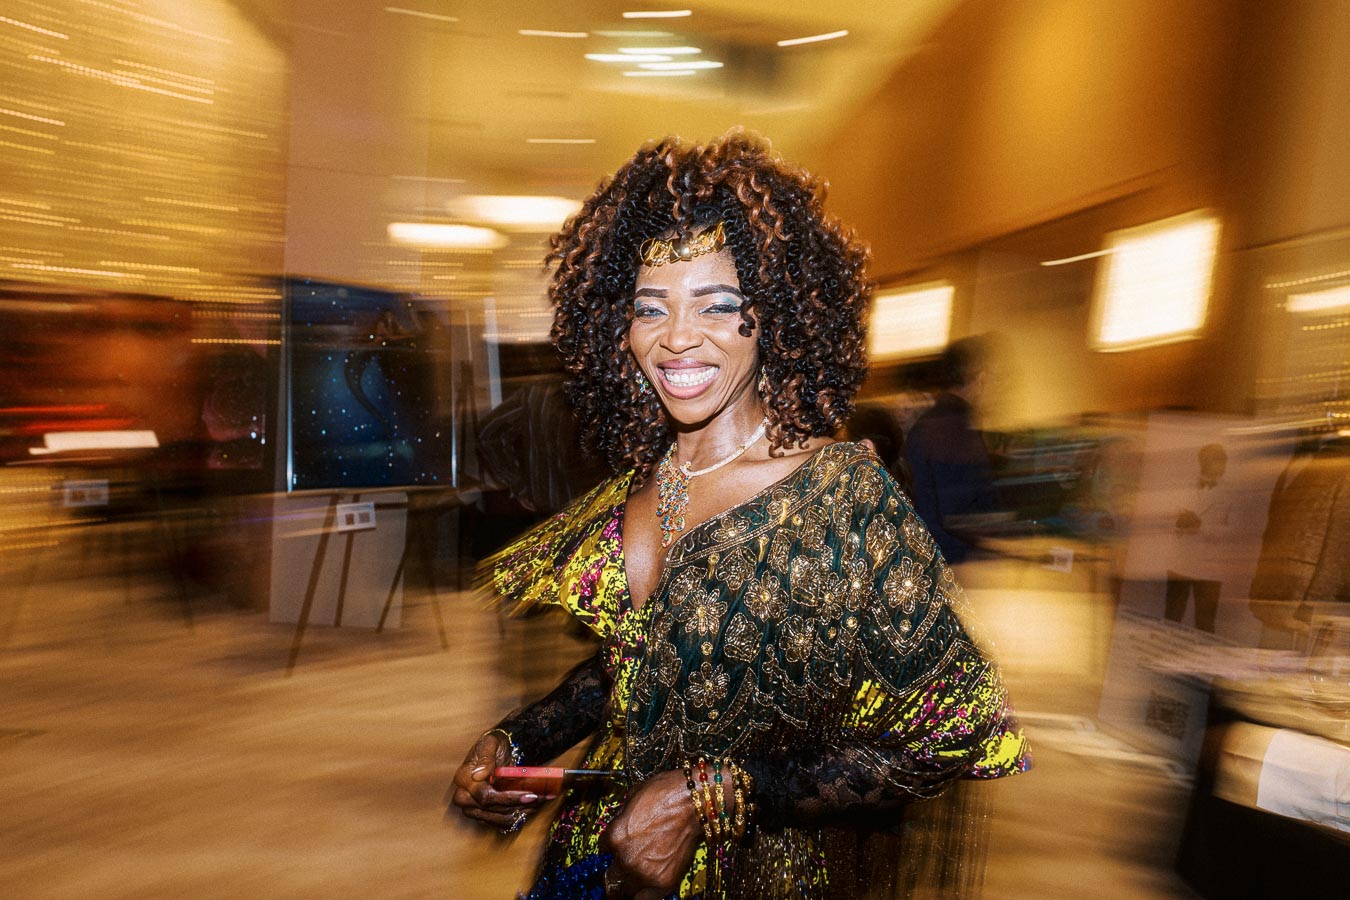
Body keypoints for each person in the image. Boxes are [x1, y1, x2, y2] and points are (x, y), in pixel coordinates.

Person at [449, 131, 1030, 900]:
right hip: (590, 866)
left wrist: (713, 795)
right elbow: (636, 668)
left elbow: (958, 730)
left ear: (776, 315)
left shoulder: (840, 498)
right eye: (650, 307)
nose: (676, 337)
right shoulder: (640, 482)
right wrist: (518, 738)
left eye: (718, 305)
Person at [902, 336, 1001, 564]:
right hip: (951, 566)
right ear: (981, 378)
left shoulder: (931, 423)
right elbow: (959, 515)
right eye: (995, 379)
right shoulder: (955, 428)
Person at [1163, 443, 1235, 633]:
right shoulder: (1182, 486)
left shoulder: (1231, 493)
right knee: (1172, 616)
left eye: (1224, 460)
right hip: (1180, 563)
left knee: (1205, 623)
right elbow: (1167, 517)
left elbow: (1233, 532)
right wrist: (1178, 523)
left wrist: (1201, 527)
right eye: (1217, 460)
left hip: (1209, 567)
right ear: (1204, 462)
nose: (1223, 465)